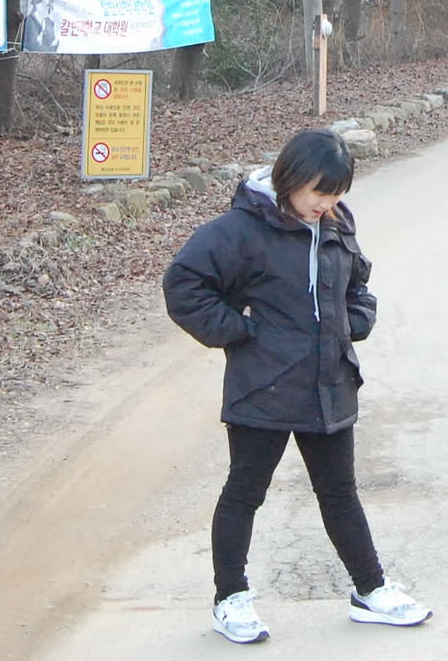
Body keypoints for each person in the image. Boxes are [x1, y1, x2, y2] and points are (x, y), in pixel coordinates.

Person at [164, 127, 432, 644]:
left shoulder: (336, 222)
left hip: (328, 382)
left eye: (336, 194)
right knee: (245, 493)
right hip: (262, 387)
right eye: (319, 193)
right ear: (291, 178)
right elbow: (183, 285)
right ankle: (230, 599)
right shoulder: (240, 230)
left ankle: (370, 590)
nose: (325, 204)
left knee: (340, 493)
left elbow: (358, 284)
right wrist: (240, 330)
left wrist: (354, 320)